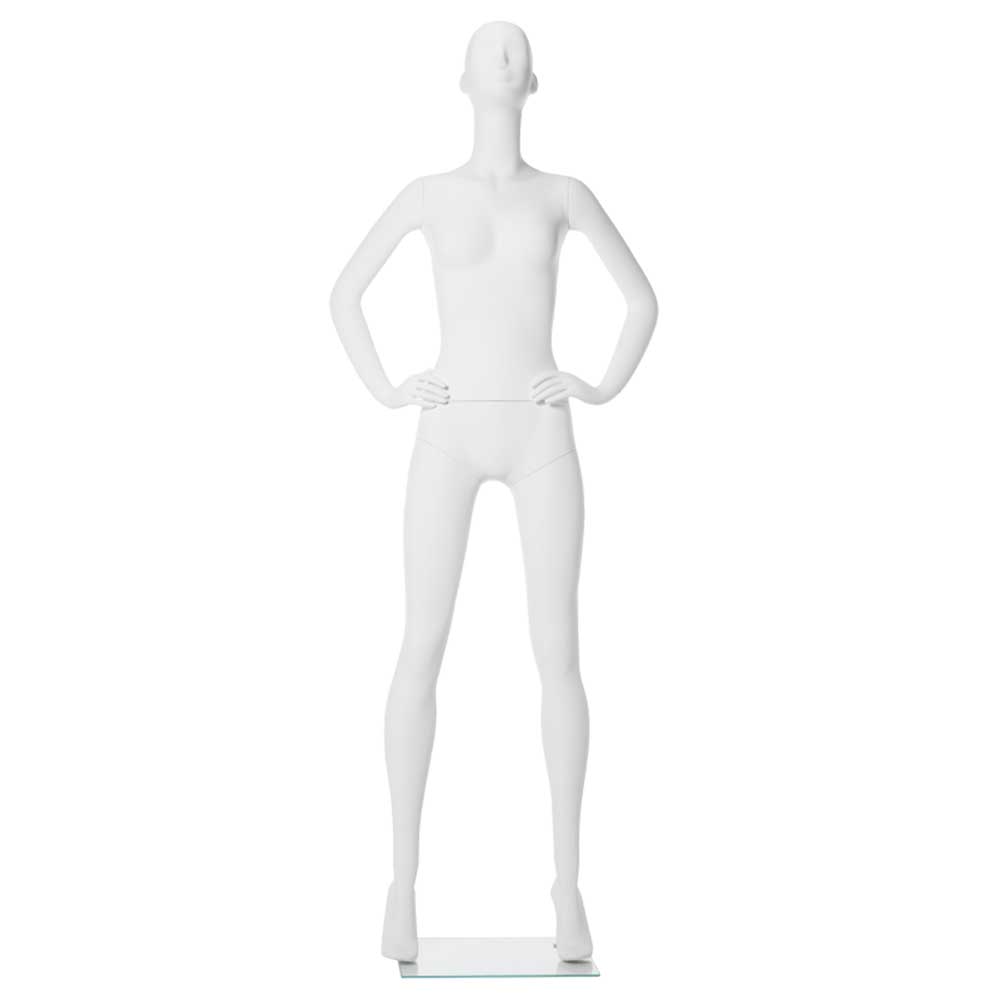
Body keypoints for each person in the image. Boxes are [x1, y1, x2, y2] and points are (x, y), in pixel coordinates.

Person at [329, 21, 658, 962]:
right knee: (420, 645)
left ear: (534, 83)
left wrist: (599, 384)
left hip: (540, 428)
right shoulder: (427, 195)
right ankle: (401, 884)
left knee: (558, 656)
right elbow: (344, 294)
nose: (505, 49)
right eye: (490, 44)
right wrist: (387, 386)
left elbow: (643, 301)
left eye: (516, 46)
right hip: (447, 426)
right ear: (463, 77)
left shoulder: (564, 195)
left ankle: (568, 888)